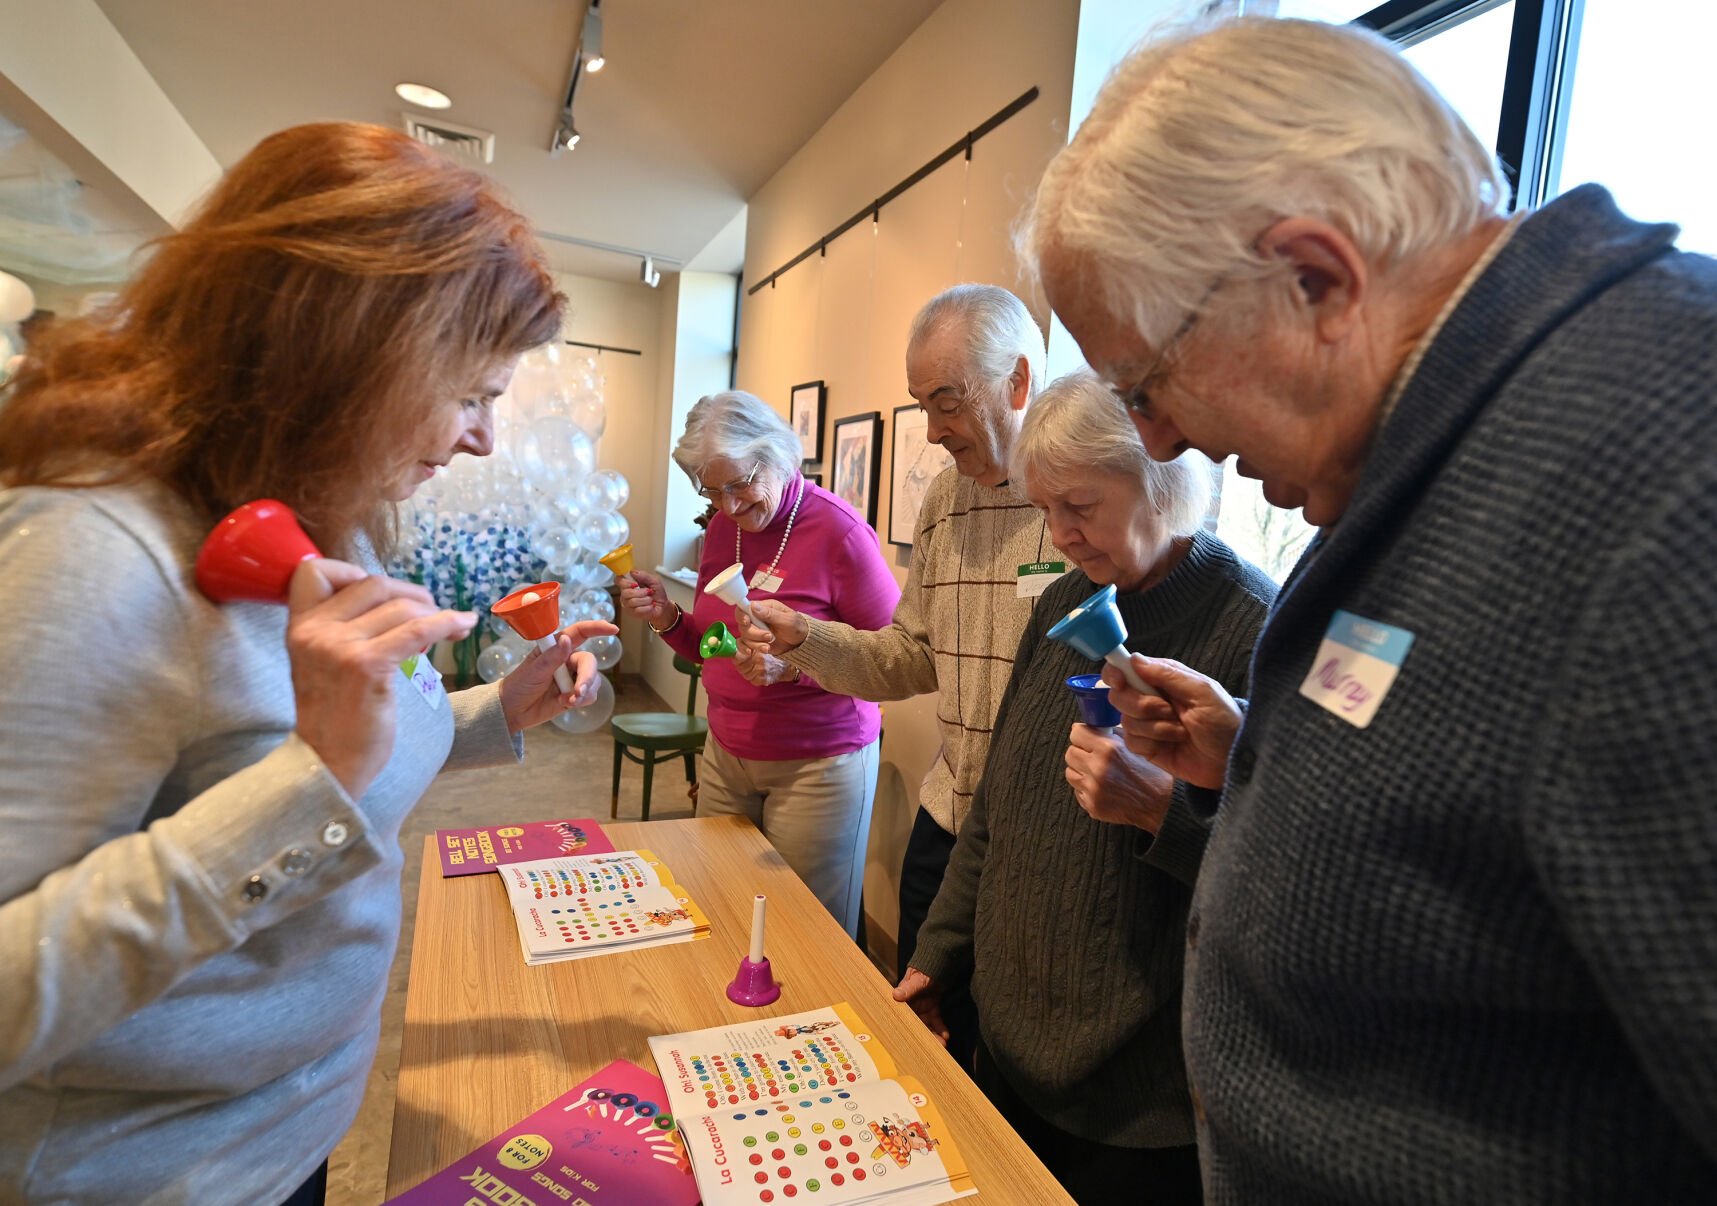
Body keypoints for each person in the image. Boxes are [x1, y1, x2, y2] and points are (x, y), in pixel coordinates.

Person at [1023, 16, 1717, 1201]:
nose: (1161, 440)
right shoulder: (1441, 453)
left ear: (1317, 281)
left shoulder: (1669, 476)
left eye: (1146, 384)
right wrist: (1255, 760)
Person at [0, 123, 614, 1205]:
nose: (481, 438)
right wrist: (308, 780)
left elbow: (336, 740)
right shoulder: (92, 554)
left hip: (293, 1128)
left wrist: (491, 712)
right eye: (470, 394)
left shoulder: (326, 507)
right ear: (349, 358)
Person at [893, 372, 1274, 1204]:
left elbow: (1283, 887)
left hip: (1136, 1101)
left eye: (1080, 506)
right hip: (1008, 1045)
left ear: (1161, 480)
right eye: (1045, 508)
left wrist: (1161, 814)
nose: (1059, 534)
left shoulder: (1254, 628)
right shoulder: (1065, 604)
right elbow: (993, 808)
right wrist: (935, 955)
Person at [737, 284, 1050, 1068]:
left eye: (947, 401)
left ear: (1017, 381)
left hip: (1038, 841)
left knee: (1007, 1062)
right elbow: (909, 655)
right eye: (922, 405)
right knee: (925, 1035)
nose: (932, 431)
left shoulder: (1080, 500)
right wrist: (803, 638)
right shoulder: (944, 501)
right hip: (948, 825)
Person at [621, 391, 898, 936]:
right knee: (719, 908)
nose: (727, 506)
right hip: (726, 753)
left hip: (817, 764)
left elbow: (890, 661)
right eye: (711, 490)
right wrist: (667, 617)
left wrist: (793, 668)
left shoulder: (839, 532)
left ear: (777, 455)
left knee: (805, 931)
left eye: (739, 484)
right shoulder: (724, 530)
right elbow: (712, 645)